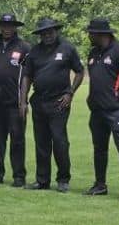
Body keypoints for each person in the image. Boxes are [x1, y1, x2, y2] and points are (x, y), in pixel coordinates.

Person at [19, 18, 84, 192]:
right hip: (39, 101)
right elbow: (27, 76)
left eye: (50, 32)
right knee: (41, 143)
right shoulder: (34, 52)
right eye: (43, 33)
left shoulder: (67, 48)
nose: (47, 35)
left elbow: (79, 71)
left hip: (59, 103)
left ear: (56, 31)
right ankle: (42, 180)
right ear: (40, 35)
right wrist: (23, 100)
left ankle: (63, 179)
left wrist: (70, 92)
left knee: (60, 141)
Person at [83, 18, 119, 201]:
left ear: (102, 34)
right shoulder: (93, 53)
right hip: (97, 111)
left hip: (117, 110)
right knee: (99, 148)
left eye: (91, 33)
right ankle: (100, 185)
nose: (89, 35)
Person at [0, 14, 30, 187]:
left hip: (16, 104)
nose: (7, 28)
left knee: (17, 140)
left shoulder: (24, 47)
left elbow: (28, 76)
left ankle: (19, 176)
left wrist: (24, 102)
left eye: (10, 25)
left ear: (15, 27)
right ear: (0, 27)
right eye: (4, 25)